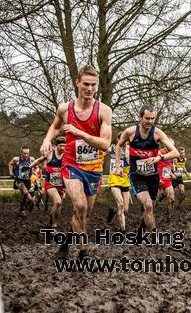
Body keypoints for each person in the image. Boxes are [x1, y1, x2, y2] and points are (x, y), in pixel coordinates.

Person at [39, 65, 112, 260]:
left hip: (94, 168)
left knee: (84, 214)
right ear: (77, 83)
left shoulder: (103, 111)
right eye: (86, 84)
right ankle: (83, 252)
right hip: (71, 164)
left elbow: (105, 144)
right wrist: (47, 140)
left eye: (93, 85)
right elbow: (55, 127)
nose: (89, 89)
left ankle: (65, 243)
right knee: (79, 206)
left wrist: (79, 133)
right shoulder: (65, 109)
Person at [116, 105, 179, 231]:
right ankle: (155, 236)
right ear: (139, 117)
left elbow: (175, 152)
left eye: (152, 118)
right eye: (147, 118)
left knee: (150, 208)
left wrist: (159, 158)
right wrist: (119, 165)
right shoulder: (130, 132)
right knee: (148, 205)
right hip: (137, 176)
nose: (150, 121)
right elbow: (118, 146)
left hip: (153, 176)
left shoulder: (157, 133)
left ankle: (140, 231)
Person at [31, 136, 67, 228]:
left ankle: (51, 220)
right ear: (56, 146)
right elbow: (39, 160)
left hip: (61, 184)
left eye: (64, 146)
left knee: (58, 206)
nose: (62, 148)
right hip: (50, 183)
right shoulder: (50, 154)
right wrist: (29, 166)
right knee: (58, 202)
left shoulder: (67, 155)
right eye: (60, 146)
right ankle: (54, 225)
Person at [106, 133, 131, 232]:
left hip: (125, 181)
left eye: (126, 140)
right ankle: (123, 230)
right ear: (117, 139)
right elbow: (100, 153)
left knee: (125, 210)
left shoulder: (129, 149)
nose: (125, 141)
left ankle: (112, 212)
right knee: (120, 204)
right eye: (122, 139)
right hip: (114, 180)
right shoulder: (112, 148)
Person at [8, 146, 36, 217]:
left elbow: (37, 166)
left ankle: (22, 209)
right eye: (24, 153)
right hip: (19, 180)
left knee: (28, 197)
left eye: (27, 153)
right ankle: (23, 210)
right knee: (26, 192)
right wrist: (11, 172)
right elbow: (10, 164)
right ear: (21, 153)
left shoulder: (32, 159)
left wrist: (35, 171)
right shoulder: (16, 159)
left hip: (28, 180)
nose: (26, 155)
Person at [157, 144, 176, 221]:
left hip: (167, 179)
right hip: (159, 180)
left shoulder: (172, 154)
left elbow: (168, 166)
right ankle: (146, 212)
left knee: (172, 199)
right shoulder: (159, 153)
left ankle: (169, 217)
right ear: (165, 145)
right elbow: (154, 165)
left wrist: (171, 174)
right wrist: (157, 178)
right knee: (154, 202)